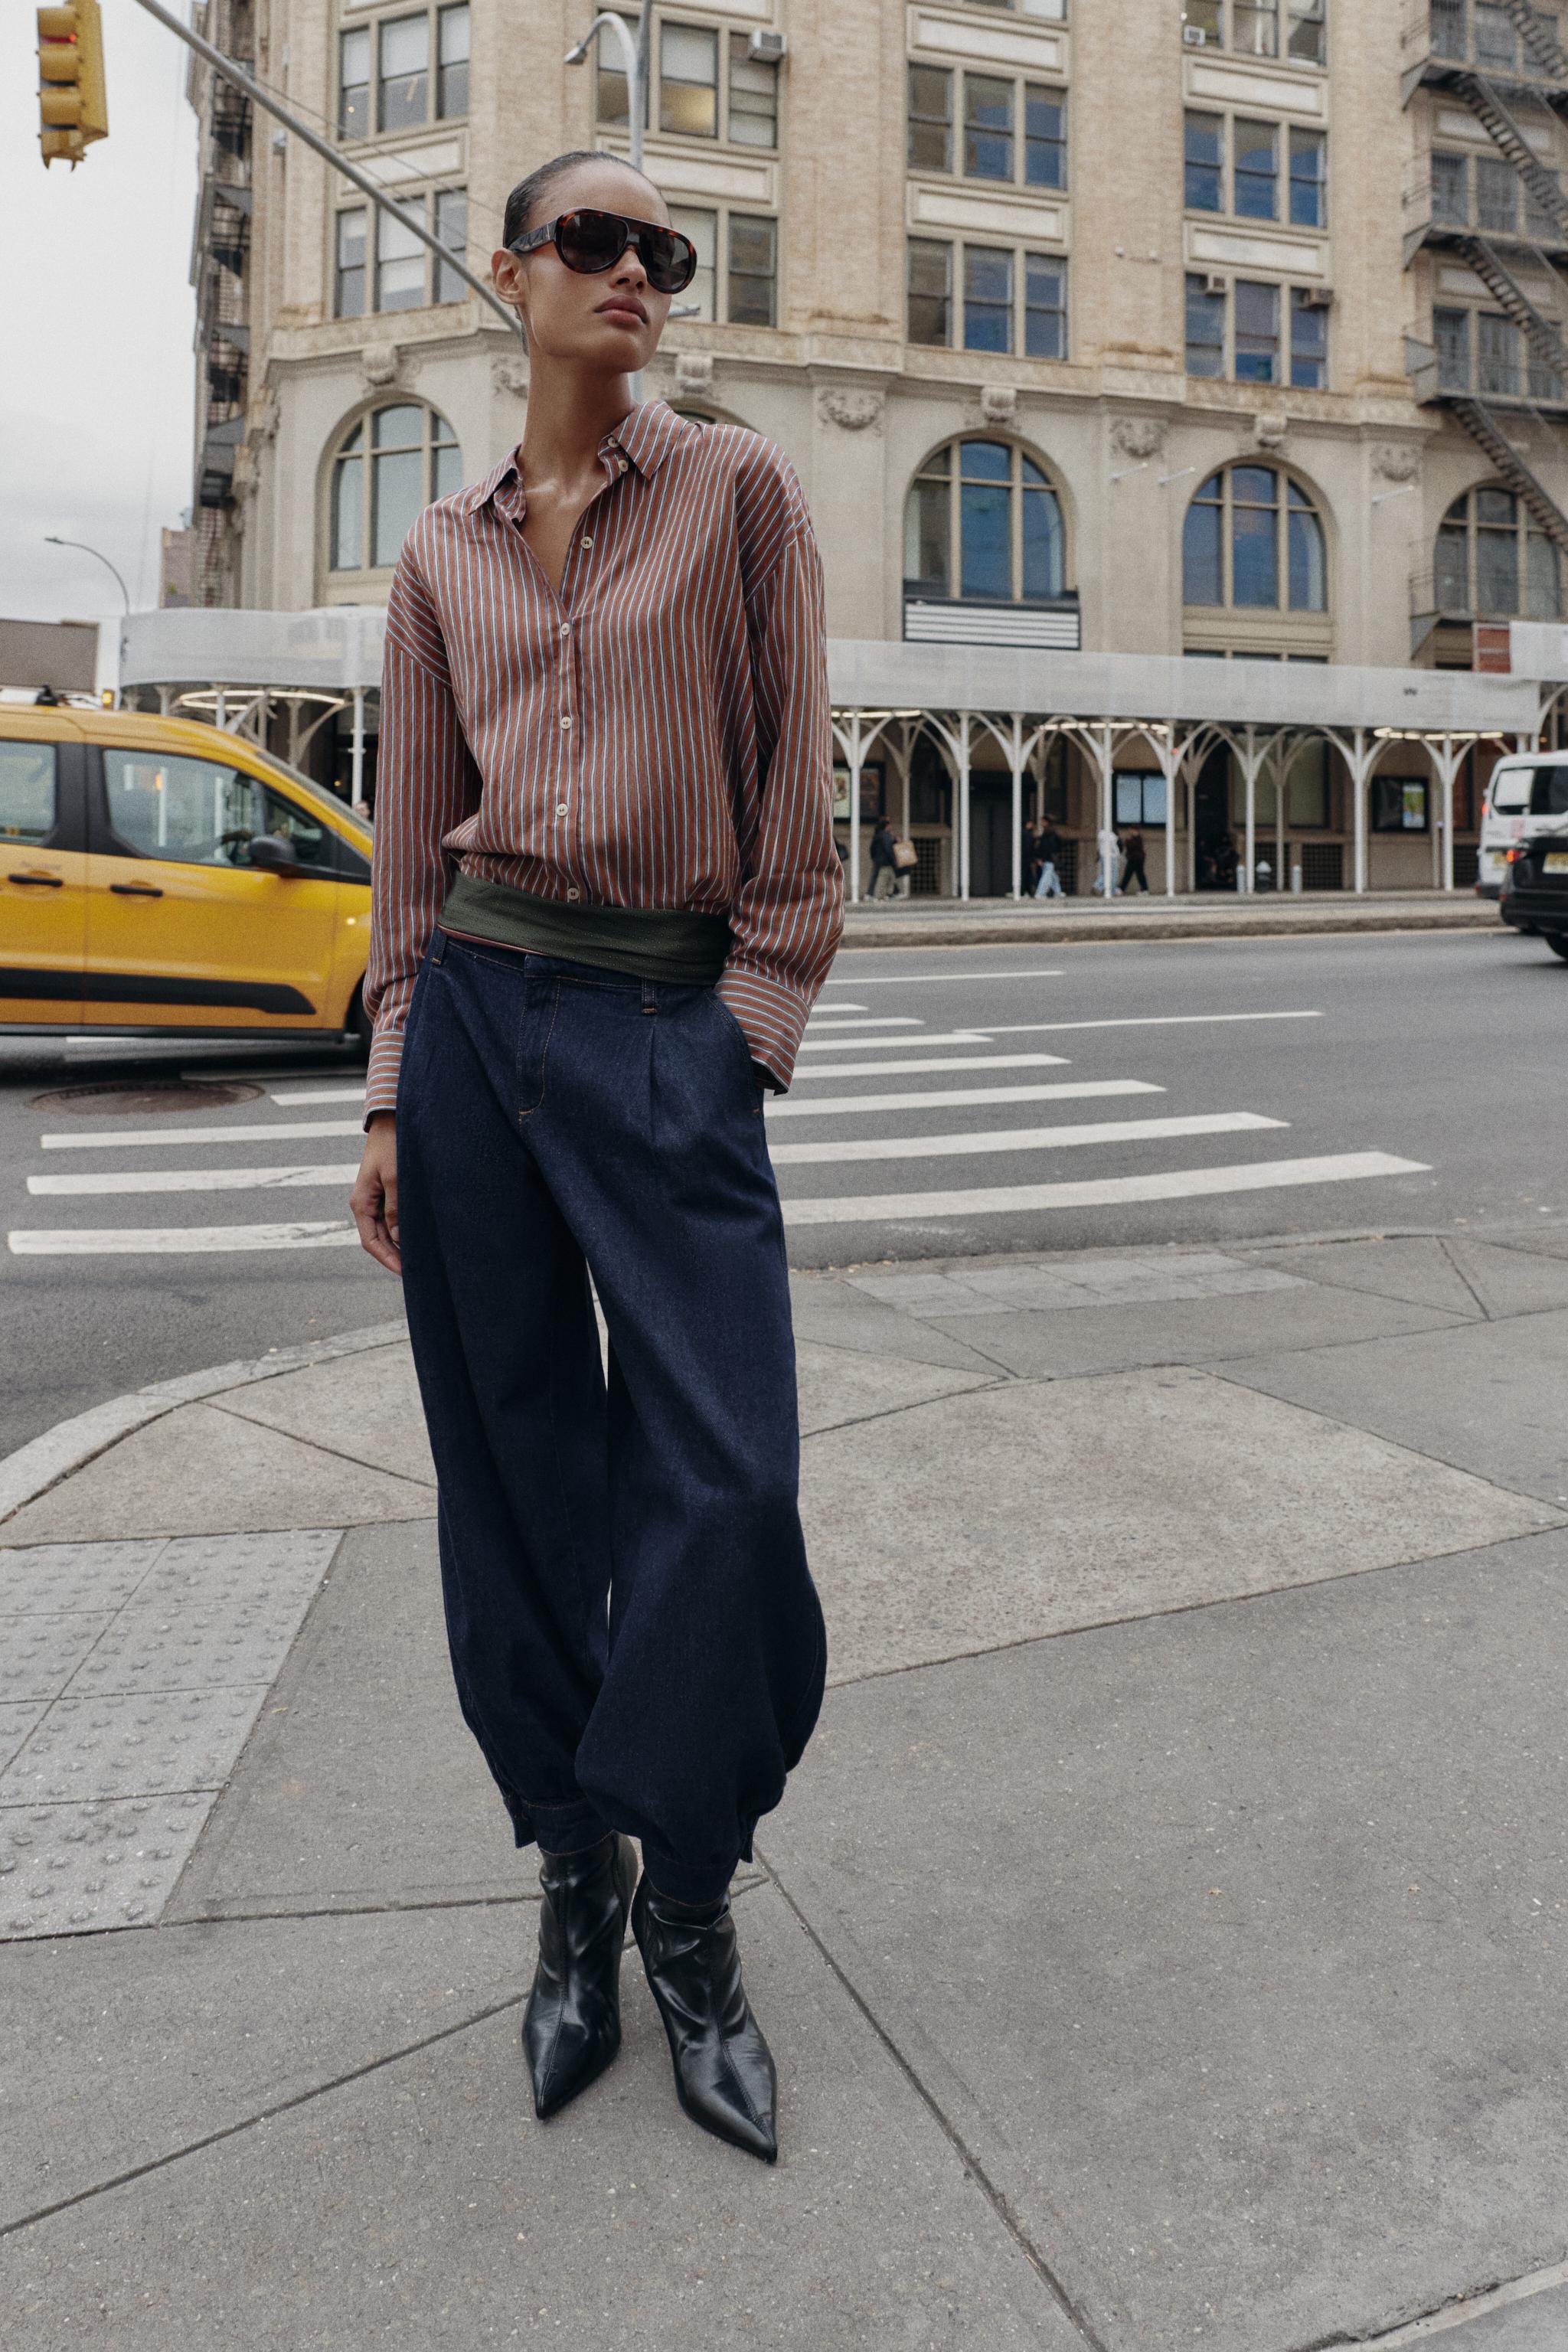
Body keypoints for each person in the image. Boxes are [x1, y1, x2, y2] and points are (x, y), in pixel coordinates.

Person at [348, 148, 843, 2166]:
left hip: (663, 1032)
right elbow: (406, 854)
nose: (640, 271)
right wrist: (390, 1089)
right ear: (513, 275)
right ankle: (577, 1875)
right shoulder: (433, 554)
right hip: (473, 1022)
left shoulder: (736, 494)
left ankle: (696, 1887)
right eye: (598, 240)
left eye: (668, 250)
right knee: (517, 1474)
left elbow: (794, 796)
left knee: (725, 1481)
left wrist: (741, 1034)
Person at [867, 813, 897, 899]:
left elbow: (872, 848)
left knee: (883, 876)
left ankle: (887, 893)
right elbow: (888, 848)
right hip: (884, 861)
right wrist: (893, 859)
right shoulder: (885, 836)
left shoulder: (878, 835)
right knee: (884, 877)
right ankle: (880, 895)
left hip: (878, 859)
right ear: (887, 826)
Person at [1034, 821, 1065, 898]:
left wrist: (1039, 858)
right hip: (1048, 860)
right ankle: (1040, 893)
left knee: (1054, 877)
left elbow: (1040, 849)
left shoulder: (1044, 838)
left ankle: (1058, 892)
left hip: (1046, 860)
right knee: (1047, 877)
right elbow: (1057, 847)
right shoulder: (1050, 838)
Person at [1120, 823, 1148, 893]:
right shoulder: (1134, 838)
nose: (1130, 831)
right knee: (1132, 874)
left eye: (1131, 830)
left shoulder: (1137, 838)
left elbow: (1132, 846)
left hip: (1136, 859)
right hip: (1134, 858)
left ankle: (1122, 889)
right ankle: (1144, 889)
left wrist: (1128, 840)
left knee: (1134, 874)